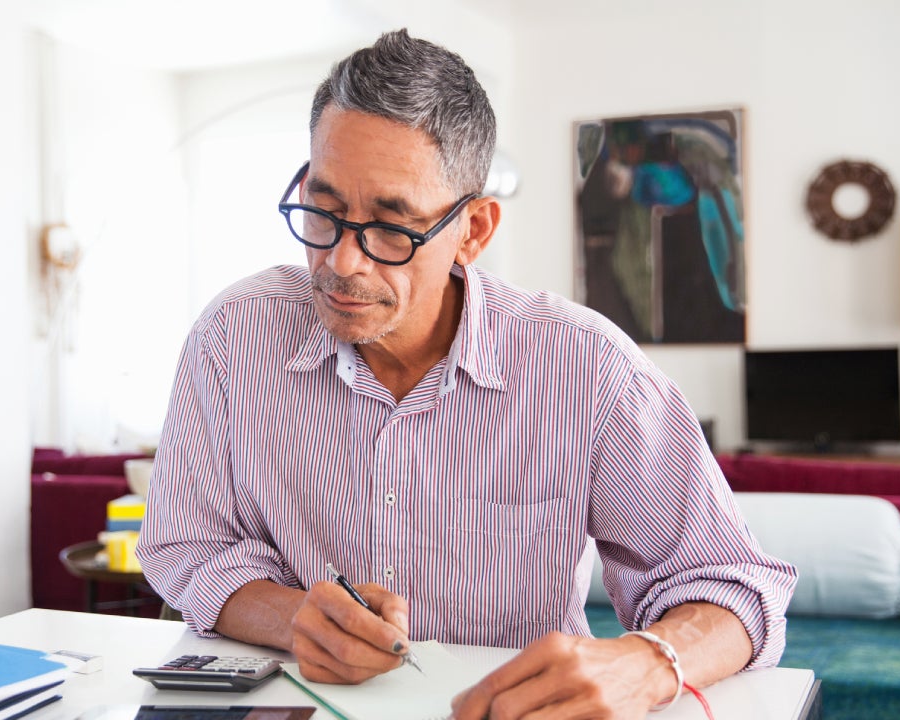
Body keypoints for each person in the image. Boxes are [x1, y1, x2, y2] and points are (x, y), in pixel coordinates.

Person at [136, 29, 796, 719]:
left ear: (474, 230)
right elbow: (187, 546)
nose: (342, 263)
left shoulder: (589, 369)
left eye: (392, 227)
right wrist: (292, 617)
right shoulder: (232, 338)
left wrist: (649, 662)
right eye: (324, 210)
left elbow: (735, 585)